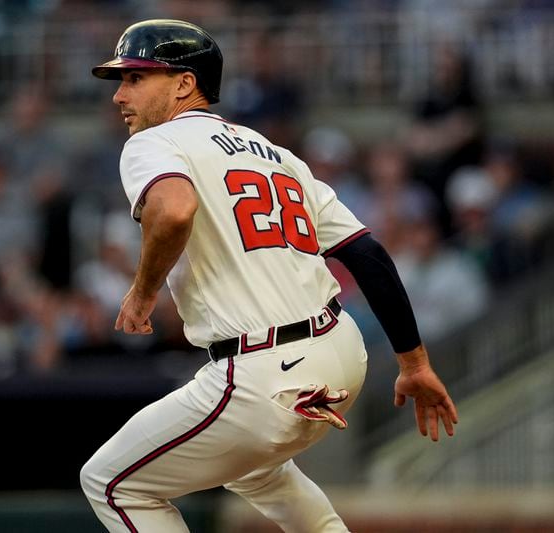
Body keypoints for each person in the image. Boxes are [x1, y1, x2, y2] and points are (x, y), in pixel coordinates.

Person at [80, 19, 458, 533]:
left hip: (261, 371)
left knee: (111, 482)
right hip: (341, 354)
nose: (120, 95)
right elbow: (366, 252)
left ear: (184, 84)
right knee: (255, 471)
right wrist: (414, 363)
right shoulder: (276, 156)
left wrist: (142, 293)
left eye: (135, 78)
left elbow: (172, 211)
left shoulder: (155, 142)